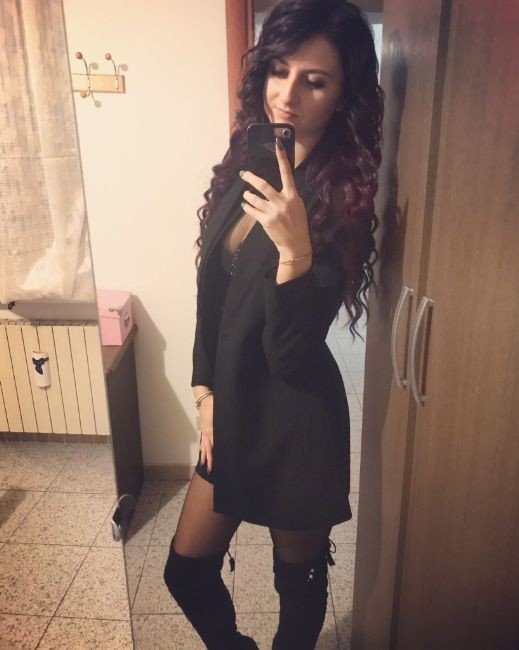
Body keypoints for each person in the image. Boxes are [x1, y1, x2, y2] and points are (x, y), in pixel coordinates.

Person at [163, 0, 384, 648]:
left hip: (295, 419)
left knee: (299, 583)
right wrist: (205, 391)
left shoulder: (343, 197)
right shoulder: (252, 158)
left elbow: (290, 353)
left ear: (342, 96)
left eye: (314, 80)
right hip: (233, 402)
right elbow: (212, 293)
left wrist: (295, 250)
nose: (286, 95)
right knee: (186, 571)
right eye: (278, 70)